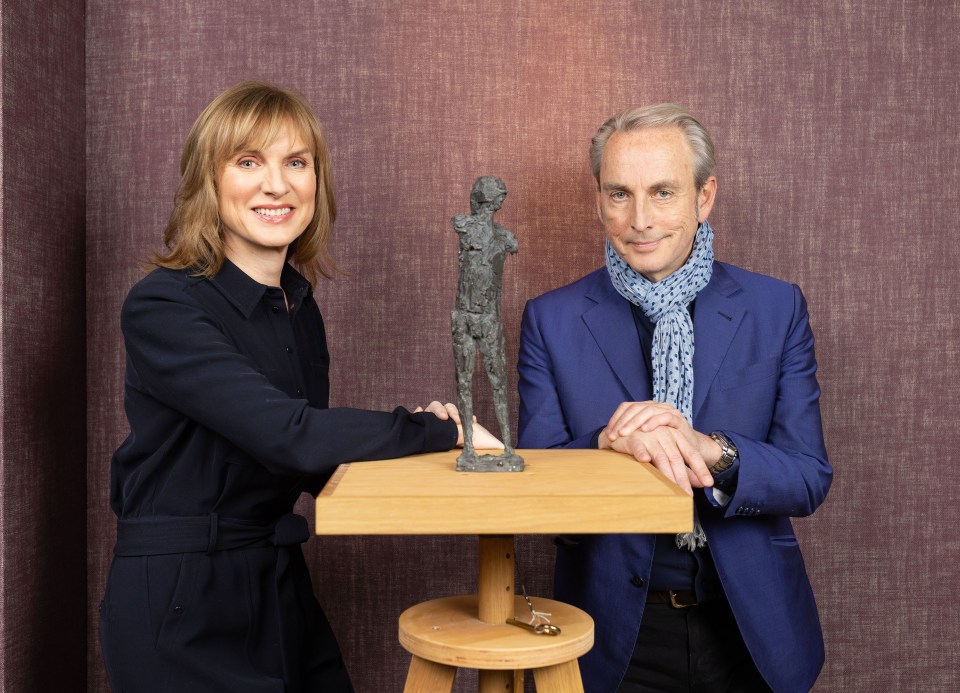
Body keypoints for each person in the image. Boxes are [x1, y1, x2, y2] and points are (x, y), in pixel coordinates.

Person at [99, 81, 498, 692]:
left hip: (278, 581)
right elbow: (290, 436)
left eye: (297, 163)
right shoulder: (162, 305)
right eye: (249, 162)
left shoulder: (297, 306)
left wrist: (432, 445)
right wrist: (435, 429)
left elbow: (307, 461)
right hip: (181, 599)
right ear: (209, 180)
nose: (277, 184)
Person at [517, 104, 832, 692]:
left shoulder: (776, 309)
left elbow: (809, 476)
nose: (639, 219)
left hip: (751, 634)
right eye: (619, 194)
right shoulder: (550, 320)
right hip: (612, 638)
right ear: (599, 199)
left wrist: (712, 450)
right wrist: (605, 444)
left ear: (703, 197)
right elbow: (540, 495)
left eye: (662, 193)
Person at [451, 176, 521, 469]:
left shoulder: (504, 237)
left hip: (488, 318)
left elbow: (510, 245)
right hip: (465, 316)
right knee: (464, 384)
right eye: (495, 197)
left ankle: (507, 448)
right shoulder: (463, 227)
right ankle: (468, 448)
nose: (496, 203)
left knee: (498, 383)